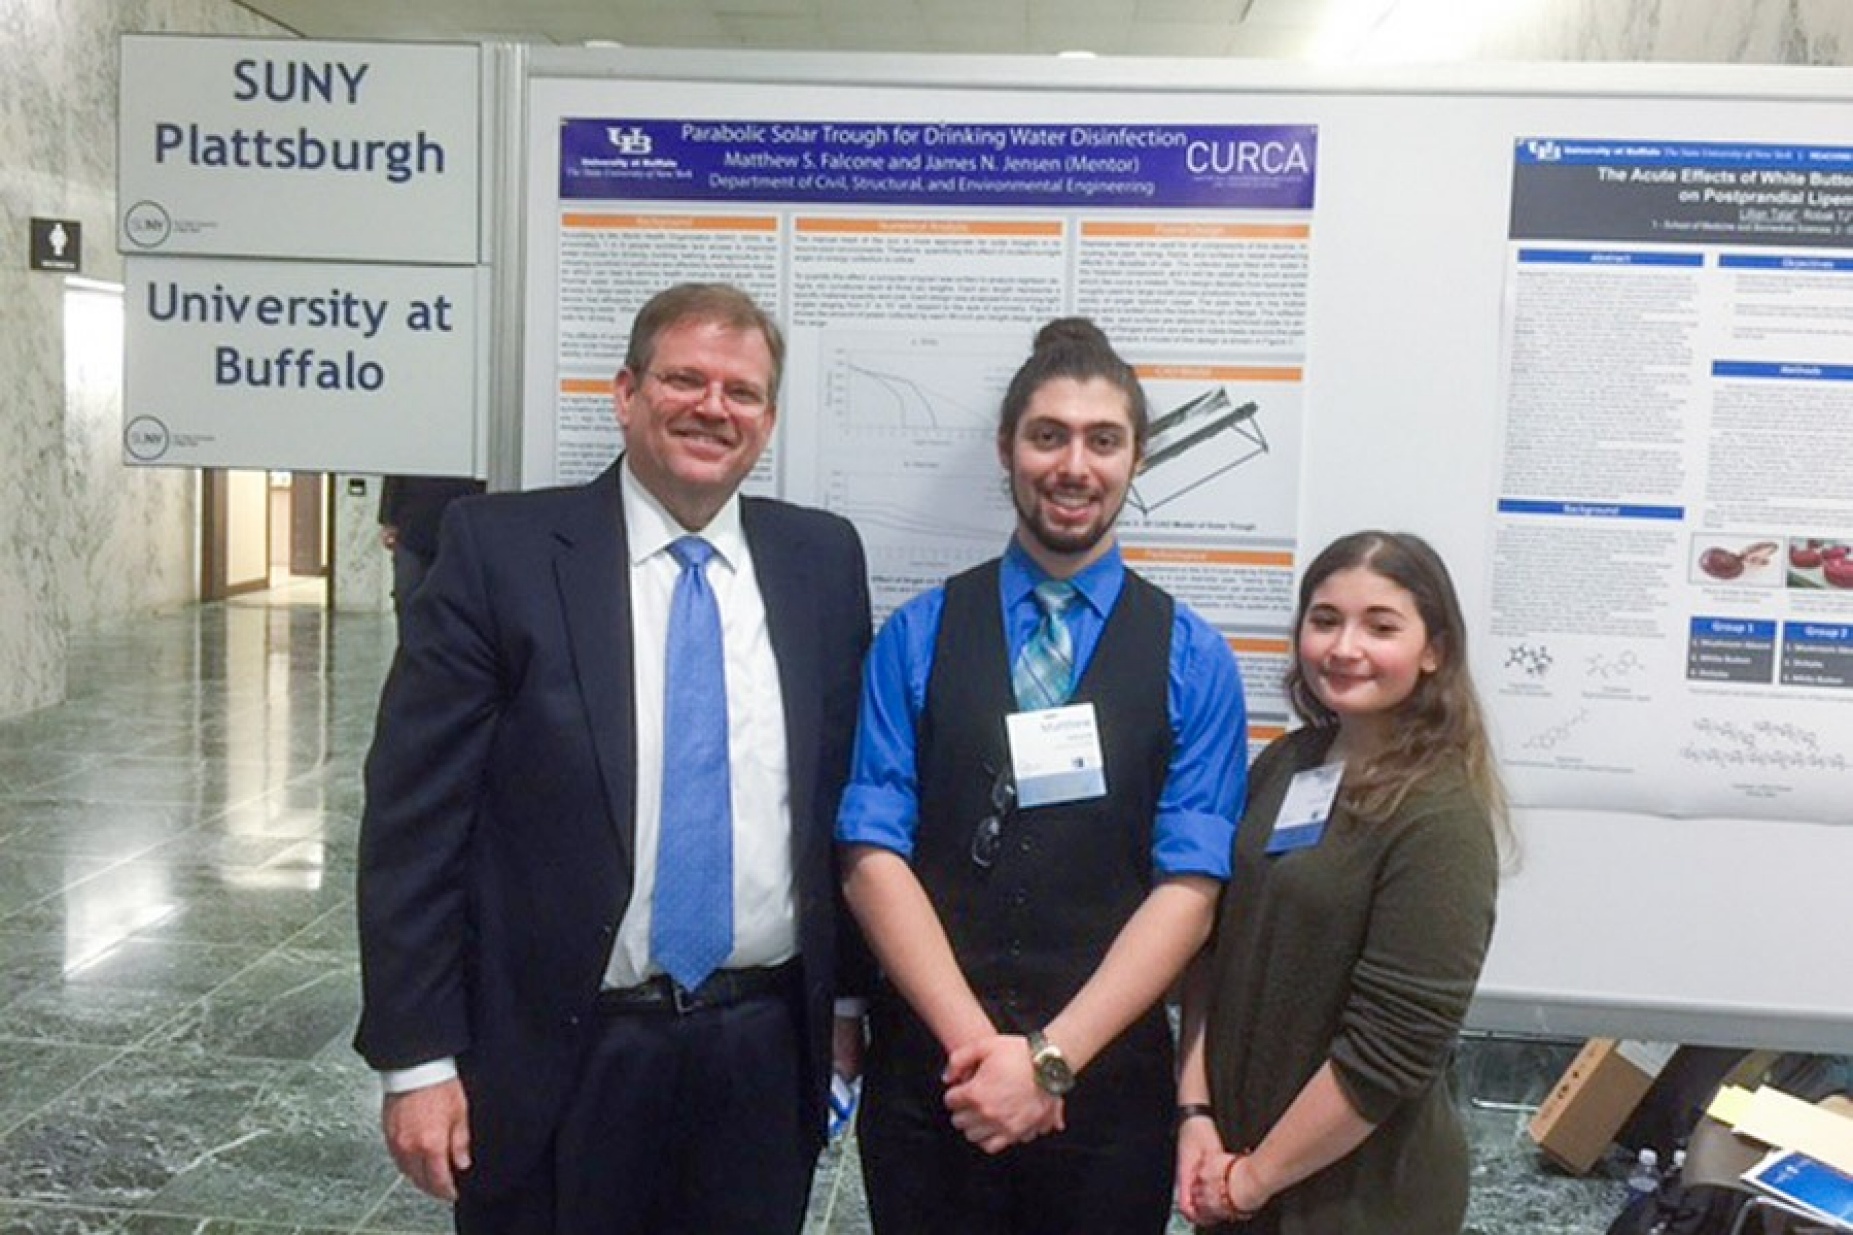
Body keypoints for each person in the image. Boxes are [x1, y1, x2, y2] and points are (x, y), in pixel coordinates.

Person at [354, 283, 872, 1234]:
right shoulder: (501, 552)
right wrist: (418, 1059)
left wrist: (841, 1005)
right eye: (684, 378)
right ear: (625, 393)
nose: (713, 407)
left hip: (760, 1052)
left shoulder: (820, 561)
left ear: (768, 419)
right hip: (559, 1052)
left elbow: (837, 797)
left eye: (743, 391)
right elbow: (412, 823)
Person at [837, 318, 1248, 1234]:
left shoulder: (1195, 657)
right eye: (1047, 434)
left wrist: (1050, 1063)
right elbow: (870, 853)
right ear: (1006, 449)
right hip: (937, 1085)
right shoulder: (916, 634)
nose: (1074, 465)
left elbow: (1190, 887)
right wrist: (983, 1056)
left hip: (1105, 1100)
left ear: (1136, 457)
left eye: (1103, 439)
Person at [1175, 530, 1510, 1234]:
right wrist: (1195, 1113)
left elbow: (1387, 1054)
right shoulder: (1288, 763)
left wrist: (1255, 1177)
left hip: (1357, 1204)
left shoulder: (1439, 820)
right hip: (1236, 1172)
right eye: (1324, 619)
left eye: (1380, 626)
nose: (1343, 646)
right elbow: (1214, 952)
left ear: (1433, 650)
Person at [377, 474, 486, 626]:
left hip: (464, 525)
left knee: (457, 602)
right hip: (413, 524)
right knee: (408, 596)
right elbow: (395, 472)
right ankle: (411, 647)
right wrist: (388, 519)